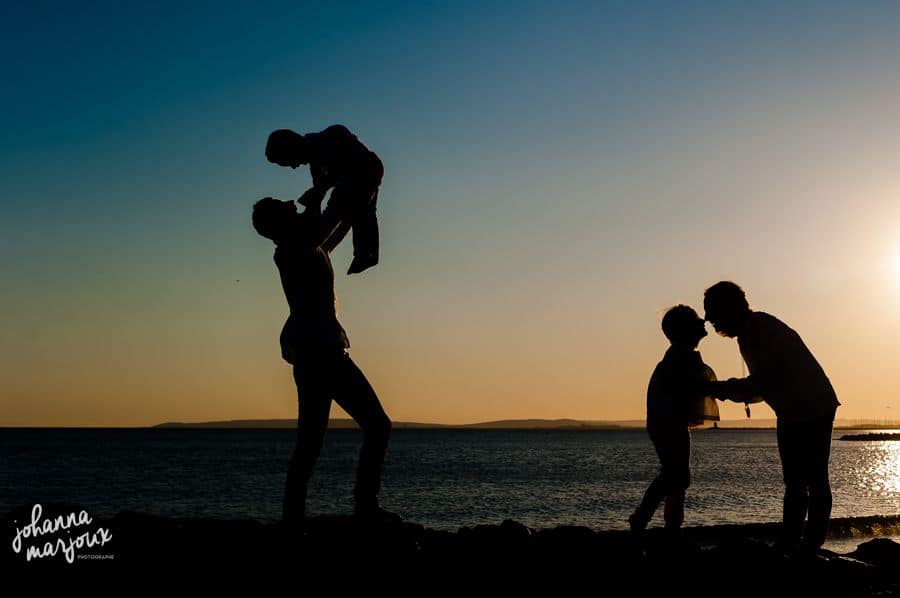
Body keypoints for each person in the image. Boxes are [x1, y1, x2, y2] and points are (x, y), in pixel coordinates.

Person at [252, 194, 393, 526]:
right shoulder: (293, 249)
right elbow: (326, 222)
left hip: (317, 353)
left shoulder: (305, 247)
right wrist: (330, 189)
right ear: (280, 224)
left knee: (311, 444)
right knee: (375, 425)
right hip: (321, 354)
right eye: (287, 207)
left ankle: (295, 519)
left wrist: (359, 202)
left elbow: (334, 229)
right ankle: (364, 506)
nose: (293, 205)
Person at [703, 281, 839, 552]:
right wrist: (727, 390)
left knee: (809, 480)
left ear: (727, 311)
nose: (714, 325)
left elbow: (760, 385)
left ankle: (805, 543)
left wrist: (720, 389)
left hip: (810, 407)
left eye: (715, 317)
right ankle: (798, 541)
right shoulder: (755, 329)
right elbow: (763, 386)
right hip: (797, 408)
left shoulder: (757, 331)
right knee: (800, 481)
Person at [630, 305, 718, 541]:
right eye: (697, 319)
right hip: (667, 423)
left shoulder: (681, 354)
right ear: (685, 330)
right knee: (676, 477)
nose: (703, 321)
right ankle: (645, 520)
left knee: (677, 478)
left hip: (669, 423)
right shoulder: (680, 357)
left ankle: (667, 528)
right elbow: (692, 388)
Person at [265, 125, 384, 275]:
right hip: (363, 172)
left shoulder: (326, 140)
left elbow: (341, 165)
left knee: (345, 213)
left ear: (292, 147)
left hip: (365, 169)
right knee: (356, 213)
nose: (294, 167)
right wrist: (317, 193)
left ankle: (354, 253)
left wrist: (320, 189)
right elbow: (323, 188)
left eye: (289, 162)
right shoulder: (317, 159)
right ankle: (352, 253)